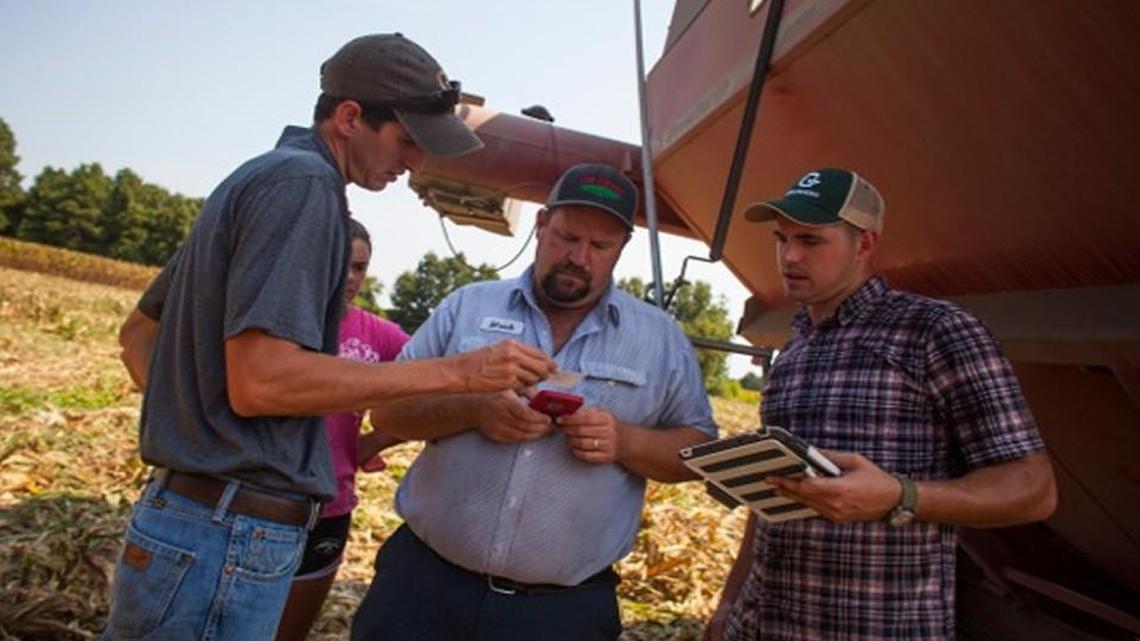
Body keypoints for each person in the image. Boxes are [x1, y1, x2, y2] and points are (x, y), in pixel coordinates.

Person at [106, 33, 557, 641]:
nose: (416, 162)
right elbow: (263, 380)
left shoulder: (260, 178)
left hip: (195, 515)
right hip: (227, 527)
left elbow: (140, 334)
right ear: (349, 118)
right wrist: (462, 372)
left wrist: (197, 421)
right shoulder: (305, 189)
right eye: (406, 140)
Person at [350, 163, 719, 641]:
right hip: (423, 589)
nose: (578, 257)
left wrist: (624, 440)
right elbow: (389, 410)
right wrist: (472, 409)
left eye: (599, 246)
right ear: (542, 225)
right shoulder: (469, 306)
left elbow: (696, 454)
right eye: (567, 237)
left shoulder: (660, 340)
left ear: (621, 249)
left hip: (561, 615)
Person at [704, 168, 1058, 641]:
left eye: (810, 241)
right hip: (764, 624)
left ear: (865, 245)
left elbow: (1034, 490)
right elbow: (772, 497)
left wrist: (900, 495)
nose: (789, 256)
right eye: (781, 239)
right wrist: (730, 601)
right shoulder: (793, 352)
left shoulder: (937, 332)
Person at [273, 219, 408, 641]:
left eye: (360, 268)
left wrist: (372, 441)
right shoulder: (275, 322)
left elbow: (433, 386)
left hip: (328, 508)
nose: (350, 278)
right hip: (262, 499)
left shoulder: (381, 336)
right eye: (341, 264)